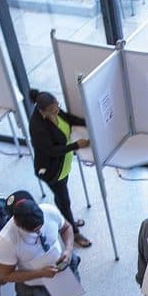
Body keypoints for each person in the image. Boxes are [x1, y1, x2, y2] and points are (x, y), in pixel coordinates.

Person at [0, 191, 105, 296]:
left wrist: (68, 250)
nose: (39, 231)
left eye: (41, 226)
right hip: (35, 288)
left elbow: (66, 228)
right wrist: (40, 273)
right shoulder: (5, 241)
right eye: (34, 230)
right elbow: (6, 275)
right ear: (17, 223)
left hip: (61, 273)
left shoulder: (48, 211)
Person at [27, 89, 92, 248]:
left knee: (62, 196)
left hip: (64, 164)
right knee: (64, 200)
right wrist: (76, 145)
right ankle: (73, 232)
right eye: (53, 111)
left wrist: (87, 122)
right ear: (43, 112)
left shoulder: (52, 108)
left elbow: (68, 118)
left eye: (57, 107)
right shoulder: (37, 126)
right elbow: (51, 151)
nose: (56, 111)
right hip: (52, 170)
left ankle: (66, 219)